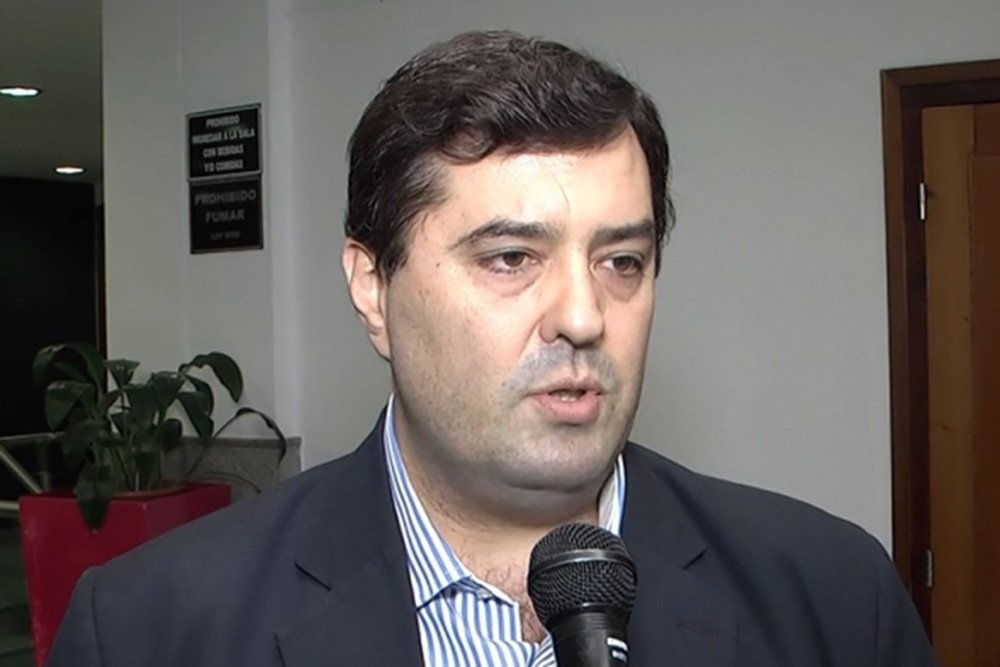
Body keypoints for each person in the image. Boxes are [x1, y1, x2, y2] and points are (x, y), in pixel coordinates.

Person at [48, 30, 936, 666]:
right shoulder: (148, 629)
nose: (583, 316)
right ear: (373, 287)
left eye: (622, 261)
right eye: (511, 258)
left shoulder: (832, 598)